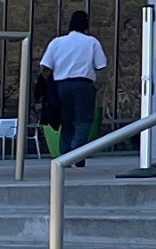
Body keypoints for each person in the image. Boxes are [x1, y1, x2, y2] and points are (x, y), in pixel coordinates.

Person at [41, 11, 107, 165]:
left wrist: (50, 84)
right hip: (83, 84)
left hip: (62, 85)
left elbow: (45, 66)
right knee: (83, 120)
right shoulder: (91, 42)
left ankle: (64, 157)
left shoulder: (57, 42)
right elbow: (101, 65)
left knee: (66, 121)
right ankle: (78, 153)